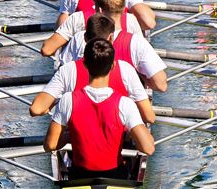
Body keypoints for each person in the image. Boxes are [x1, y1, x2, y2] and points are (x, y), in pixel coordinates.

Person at [44, 38, 155, 180]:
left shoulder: (68, 100)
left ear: (84, 65)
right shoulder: (125, 104)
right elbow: (148, 148)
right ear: (113, 66)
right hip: (116, 177)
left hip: (79, 177)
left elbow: (50, 145)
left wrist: (74, 135)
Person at [30, 12, 156, 124]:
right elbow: (149, 117)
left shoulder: (69, 69)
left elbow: (36, 109)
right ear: (111, 38)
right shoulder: (126, 69)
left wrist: (54, 104)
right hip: (117, 142)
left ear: (84, 38)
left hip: (77, 142)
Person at [56, 0, 155, 31]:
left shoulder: (76, 16)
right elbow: (148, 23)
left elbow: (61, 27)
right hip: (120, 58)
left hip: (86, 56)